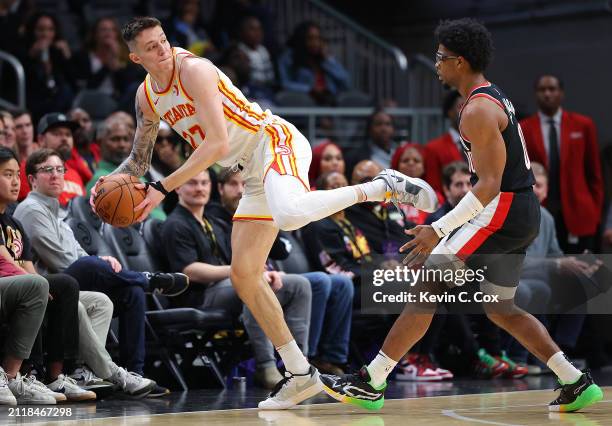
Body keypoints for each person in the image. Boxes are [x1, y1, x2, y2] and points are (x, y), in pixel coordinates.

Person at [89, 16, 437, 410]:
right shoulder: (146, 97)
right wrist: (101, 186)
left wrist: (160, 188)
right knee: (244, 275)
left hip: (274, 141)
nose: (162, 49)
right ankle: (299, 373)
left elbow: (218, 143)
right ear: (136, 58)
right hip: (250, 170)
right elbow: (138, 159)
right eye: (151, 47)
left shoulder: (195, 70)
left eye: (164, 40)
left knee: (289, 214)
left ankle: (382, 187)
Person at [320, 18, 603, 413]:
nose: (436, 64)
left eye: (441, 57)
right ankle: (574, 379)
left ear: (462, 62)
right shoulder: (491, 98)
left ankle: (372, 381)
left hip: (500, 209)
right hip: (516, 211)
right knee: (500, 308)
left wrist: (438, 228)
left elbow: (488, 185)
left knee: (428, 286)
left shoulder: (478, 110)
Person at [14, 149, 185, 395]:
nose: (55, 175)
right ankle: (150, 280)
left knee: (131, 291)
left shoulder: (59, 212)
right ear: (31, 179)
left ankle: (133, 372)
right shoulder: (30, 209)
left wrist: (100, 262)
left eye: (60, 169)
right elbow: (61, 261)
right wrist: (97, 264)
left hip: (72, 284)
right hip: (50, 288)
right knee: (93, 266)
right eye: (47, 170)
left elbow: (79, 254)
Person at [161, 169, 312, 389]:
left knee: (300, 285)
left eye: (204, 183)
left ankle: (299, 364)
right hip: (200, 295)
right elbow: (189, 270)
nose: (200, 188)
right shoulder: (175, 224)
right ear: (178, 188)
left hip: (228, 287)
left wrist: (259, 270)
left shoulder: (210, 221)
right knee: (251, 284)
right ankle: (266, 366)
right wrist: (245, 272)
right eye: (192, 183)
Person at [520, 75, 603, 254]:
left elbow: (594, 173)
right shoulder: (524, 128)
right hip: (541, 207)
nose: (547, 94)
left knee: (580, 270)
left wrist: (595, 213)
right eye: (542, 90)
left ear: (561, 93)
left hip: (578, 209)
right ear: (535, 95)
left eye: (552, 89)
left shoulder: (583, 125)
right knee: (547, 265)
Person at [18, 113, 90, 205]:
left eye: (68, 134)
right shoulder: (27, 169)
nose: (64, 138)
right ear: (41, 140)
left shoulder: (75, 175)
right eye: (57, 134)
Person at [278, 21, 350, 106]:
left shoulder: (324, 59)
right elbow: (284, 83)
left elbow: (346, 82)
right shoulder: (289, 57)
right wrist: (309, 89)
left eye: (318, 38)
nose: (315, 43)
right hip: (303, 104)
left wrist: (328, 59)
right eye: (310, 38)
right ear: (302, 39)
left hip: (329, 103)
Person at [424, 90, 465, 193]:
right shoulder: (434, 148)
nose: (467, 110)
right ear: (450, 112)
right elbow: (434, 190)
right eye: (461, 106)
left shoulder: (482, 145)